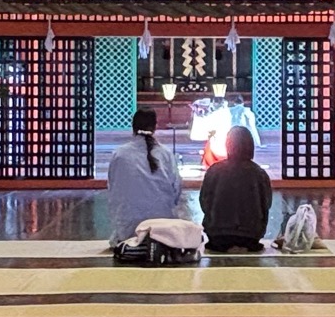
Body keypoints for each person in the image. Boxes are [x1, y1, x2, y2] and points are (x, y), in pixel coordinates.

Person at [104, 107, 182, 242]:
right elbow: (176, 190)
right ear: (155, 126)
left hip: (128, 229)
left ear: (133, 127)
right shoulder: (165, 154)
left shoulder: (120, 154)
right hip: (162, 228)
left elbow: (113, 189)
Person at [200, 123, 274, 253]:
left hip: (218, 236)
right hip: (250, 237)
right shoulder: (259, 173)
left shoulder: (214, 171)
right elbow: (266, 204)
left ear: (228, 145)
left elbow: (204, 202)